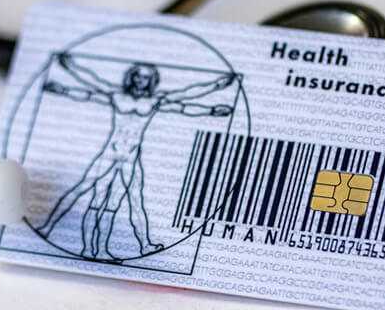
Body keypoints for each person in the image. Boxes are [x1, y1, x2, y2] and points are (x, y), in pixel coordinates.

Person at [35, 53, 235, 261]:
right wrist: (67, 76)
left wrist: (215, 98)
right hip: (111, 152)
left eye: (146, 77)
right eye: (138, 76)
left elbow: (184, 100)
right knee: (86, 192)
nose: (141, 80)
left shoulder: (155, 100)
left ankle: (111, 249)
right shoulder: (117, 95)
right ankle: (51, 229)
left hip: (131, 157)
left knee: (121, 203)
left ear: (152, 81)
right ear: (131, 76)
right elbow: (91, 87)